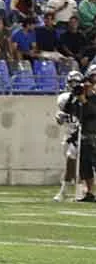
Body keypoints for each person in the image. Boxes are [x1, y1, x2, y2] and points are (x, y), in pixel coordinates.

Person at [60, 65, 96, 202]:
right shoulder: (75, 96)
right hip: (84, 134)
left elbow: (92, 112)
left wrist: (84, 100)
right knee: (85, 165)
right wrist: (76, 96)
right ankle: (89, 192)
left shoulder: (92, 96)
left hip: (93, 132)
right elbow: (69, 111)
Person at [54, 71, 83, 202]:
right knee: (71, 162)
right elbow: (60, 120)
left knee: (72, 160)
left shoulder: (85, 98)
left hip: (82, 134)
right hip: (69, 134)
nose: (74, 85)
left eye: (76, 82)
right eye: (72, 82)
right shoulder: (64, 98)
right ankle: (76, 189)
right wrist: (60, 117)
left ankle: (65, 191)